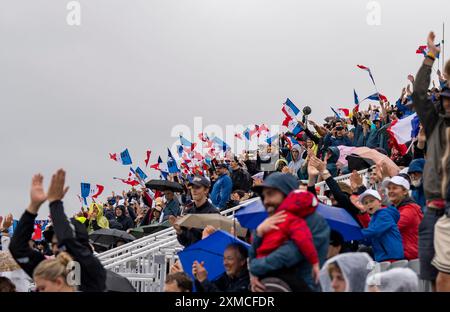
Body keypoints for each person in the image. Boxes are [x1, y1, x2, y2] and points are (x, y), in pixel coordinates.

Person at [9, 170, 106, 292]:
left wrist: (55, 203)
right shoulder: (49, 269)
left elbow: (67, 240)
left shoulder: (91, 269)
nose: (55, 249)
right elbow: (17, 248)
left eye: (58, 244)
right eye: (53, 244)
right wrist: (33, 207)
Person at [412, 31, 450, 288]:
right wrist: (430, 57)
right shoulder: (435, 124)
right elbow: (418, 93)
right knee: (431, 279)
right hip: (432, 209)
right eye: (445, 97)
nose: (447, 102)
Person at [249, 172, 330, 292]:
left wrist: (255, 268)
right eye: (263, 196)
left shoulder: (313, 220)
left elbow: (287, 255)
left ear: (288, 194)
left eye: (270, 194)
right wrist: (259, 233)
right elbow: (255, 254)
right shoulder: (271, 221)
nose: (265, 201)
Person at [255, 190, 321, 283]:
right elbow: (304, 242)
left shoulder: (277, 217)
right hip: (277, 266)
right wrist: (315, 262)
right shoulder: (296, 221)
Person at [383, 176, 423, 260]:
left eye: (394, 188)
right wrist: (362, 212)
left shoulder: (410, 209)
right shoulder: (392, 210)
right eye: (389, 188)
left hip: (411, 259)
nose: (390, 191)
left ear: (405, 191)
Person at [173, 175, 219, 247]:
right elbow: (185, 242)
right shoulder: (187, 211)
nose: (194, 190)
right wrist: (179, 231)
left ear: (206, 190)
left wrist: (191, 227)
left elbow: (211, 241)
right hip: (191, 254)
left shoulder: (213, 213)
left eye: (197, 187)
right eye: (192, 187)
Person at [359, 190, 404, 262]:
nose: (369, 204)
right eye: (365, 203)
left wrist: (358, 234)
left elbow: (375, 231)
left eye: (371, 201)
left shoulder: (384, 214)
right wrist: (360, 239)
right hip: (383, 258)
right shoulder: (373, 219)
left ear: (380, 202)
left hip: (392, 257)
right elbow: (371, 238)